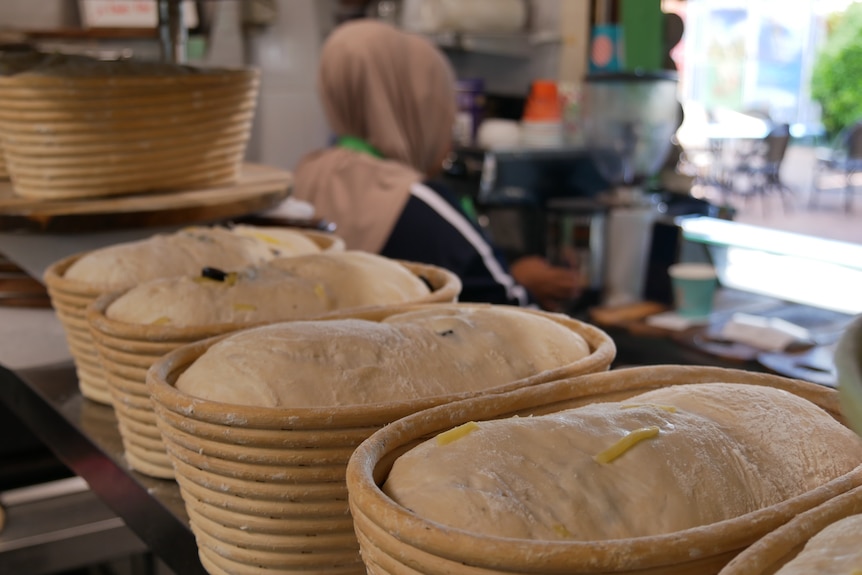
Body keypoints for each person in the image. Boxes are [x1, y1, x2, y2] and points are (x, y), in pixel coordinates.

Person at [293, 19, 581, 309]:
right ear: (412, 110)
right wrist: (520, 282)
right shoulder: (417, 202)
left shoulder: (303, 178)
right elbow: (515, 315)